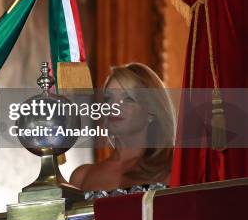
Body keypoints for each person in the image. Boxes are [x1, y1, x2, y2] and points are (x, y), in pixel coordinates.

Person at [70, 63, 175, 191]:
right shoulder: (81, 177)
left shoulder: (174, 166)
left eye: (128, 98)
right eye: (108, 98)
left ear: (151, 112)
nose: (114, 106)